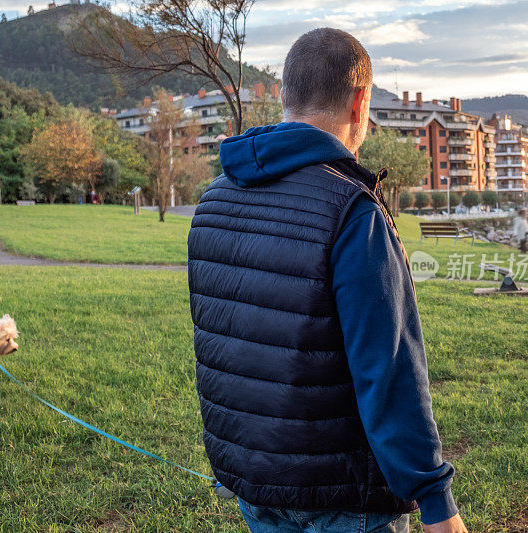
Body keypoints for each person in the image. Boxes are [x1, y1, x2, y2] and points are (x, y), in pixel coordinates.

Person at [188, 28, 466, 533]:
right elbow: (390, 370)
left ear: (283, 96)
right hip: (343, 495)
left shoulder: (213, 201)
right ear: (360, 103)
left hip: (251, 479)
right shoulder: (353, 211)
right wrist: (436, 500)